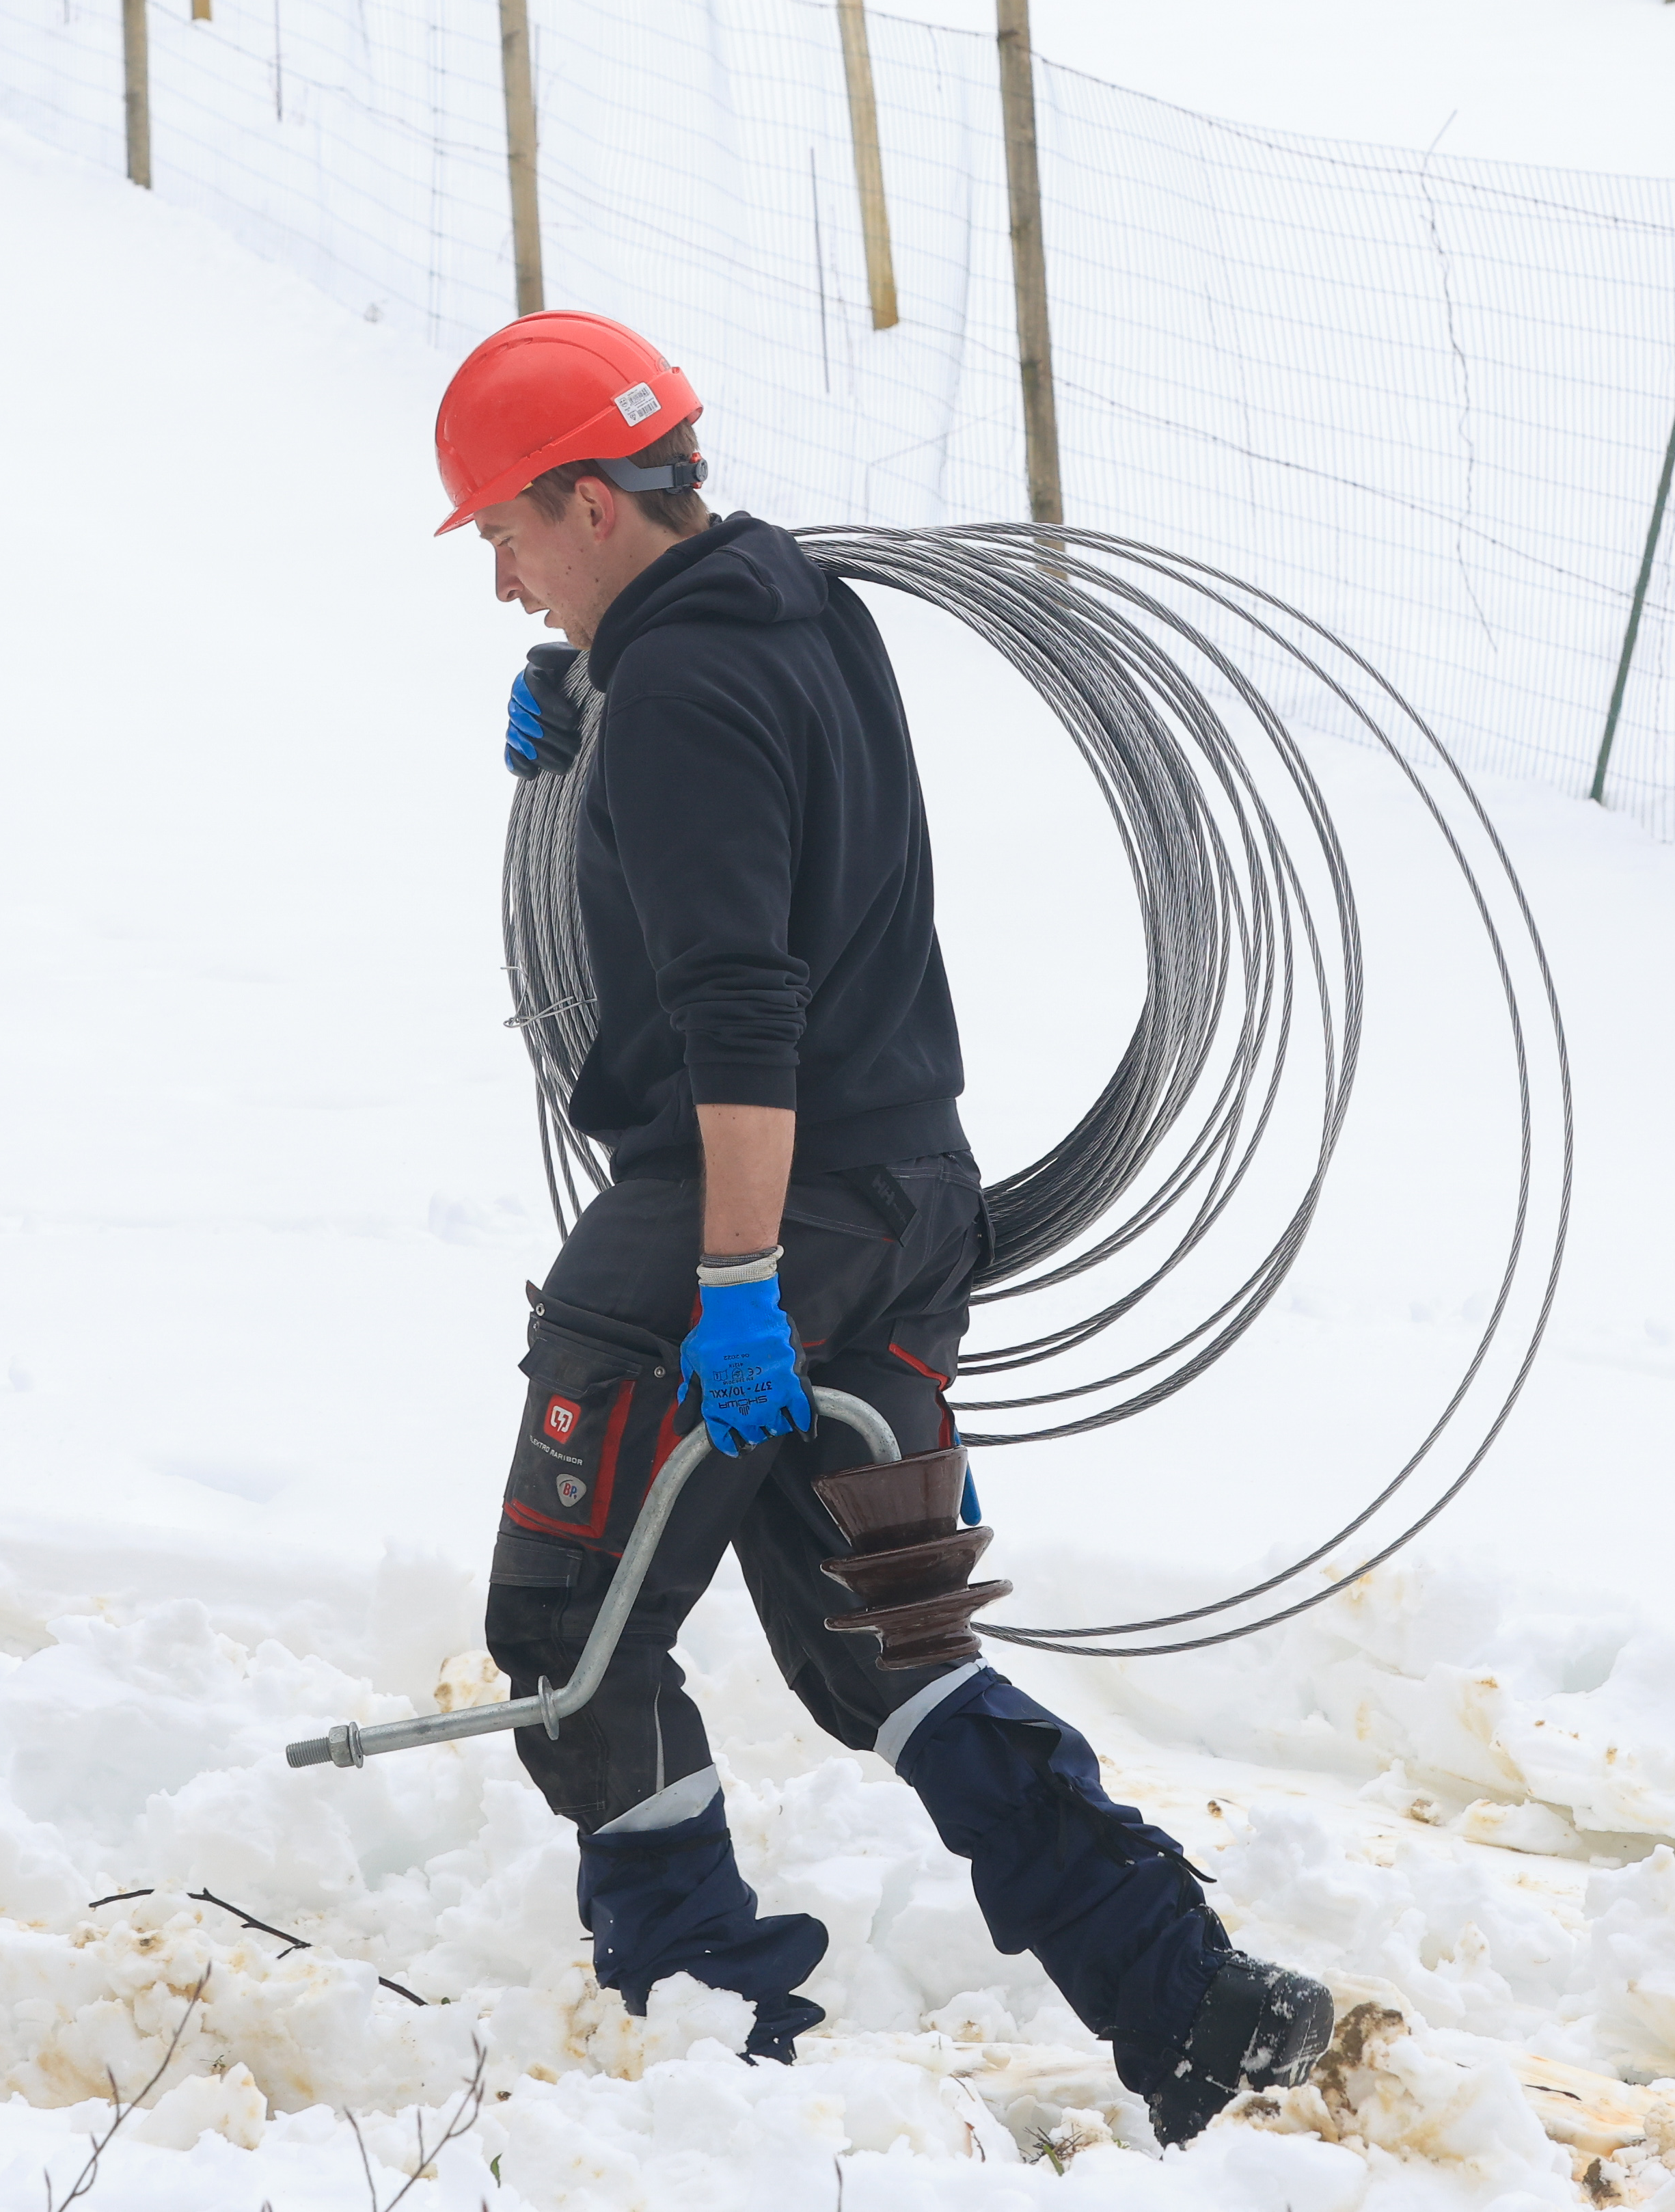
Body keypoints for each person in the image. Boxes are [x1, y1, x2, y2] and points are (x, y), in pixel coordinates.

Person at [437, 310, 1331, 2146]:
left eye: (508, 535)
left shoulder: (684, 689)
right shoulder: (785, 609)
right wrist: (585, 721)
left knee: (566, 1634)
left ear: (593, 501)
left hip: (742, 1202)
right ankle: (1185, 1992)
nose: (499, 577)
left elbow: (742, 1008)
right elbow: (783, 832)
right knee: (885, 1650)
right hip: (909, 1194)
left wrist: (740, 1288)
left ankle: (713, 2035)